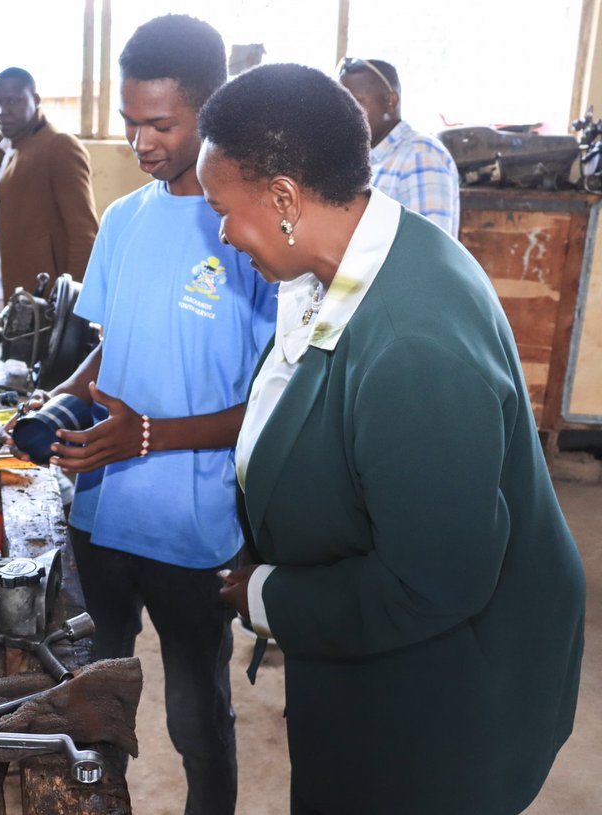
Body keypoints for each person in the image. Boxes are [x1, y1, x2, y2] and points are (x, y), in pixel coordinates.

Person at [198, 63, 585, 815]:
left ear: (283, 197)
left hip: (451, 684)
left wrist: (269, 593)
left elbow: (432, 582)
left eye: (223, 209)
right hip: (385, 647)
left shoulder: (415, 343)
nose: (220, 231)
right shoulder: (340, 264)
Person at [7, 16, 276, 815]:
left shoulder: (251, 233)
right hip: (103, 519)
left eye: (162, 124)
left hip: (194, 534)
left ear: (212, 111)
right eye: (130, 123)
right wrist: (62, 400)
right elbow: (111, 352)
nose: (141, 142)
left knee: (199, 717)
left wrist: (150, 434)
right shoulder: (124, 220)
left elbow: (270, 408)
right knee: (93, 709)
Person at [0, 67, 98, 310]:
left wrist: (73, 308)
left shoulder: (59, 147)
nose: (1, 111)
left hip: (42, 305)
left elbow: (84, 236)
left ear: (36, 100)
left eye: (12, 101)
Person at [338, 57, 460, 236]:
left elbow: (427, 252)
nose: (346, 115)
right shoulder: (368, 158)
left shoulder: (421, 156)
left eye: (356, 103)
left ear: (390, 102)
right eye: (342, 106)